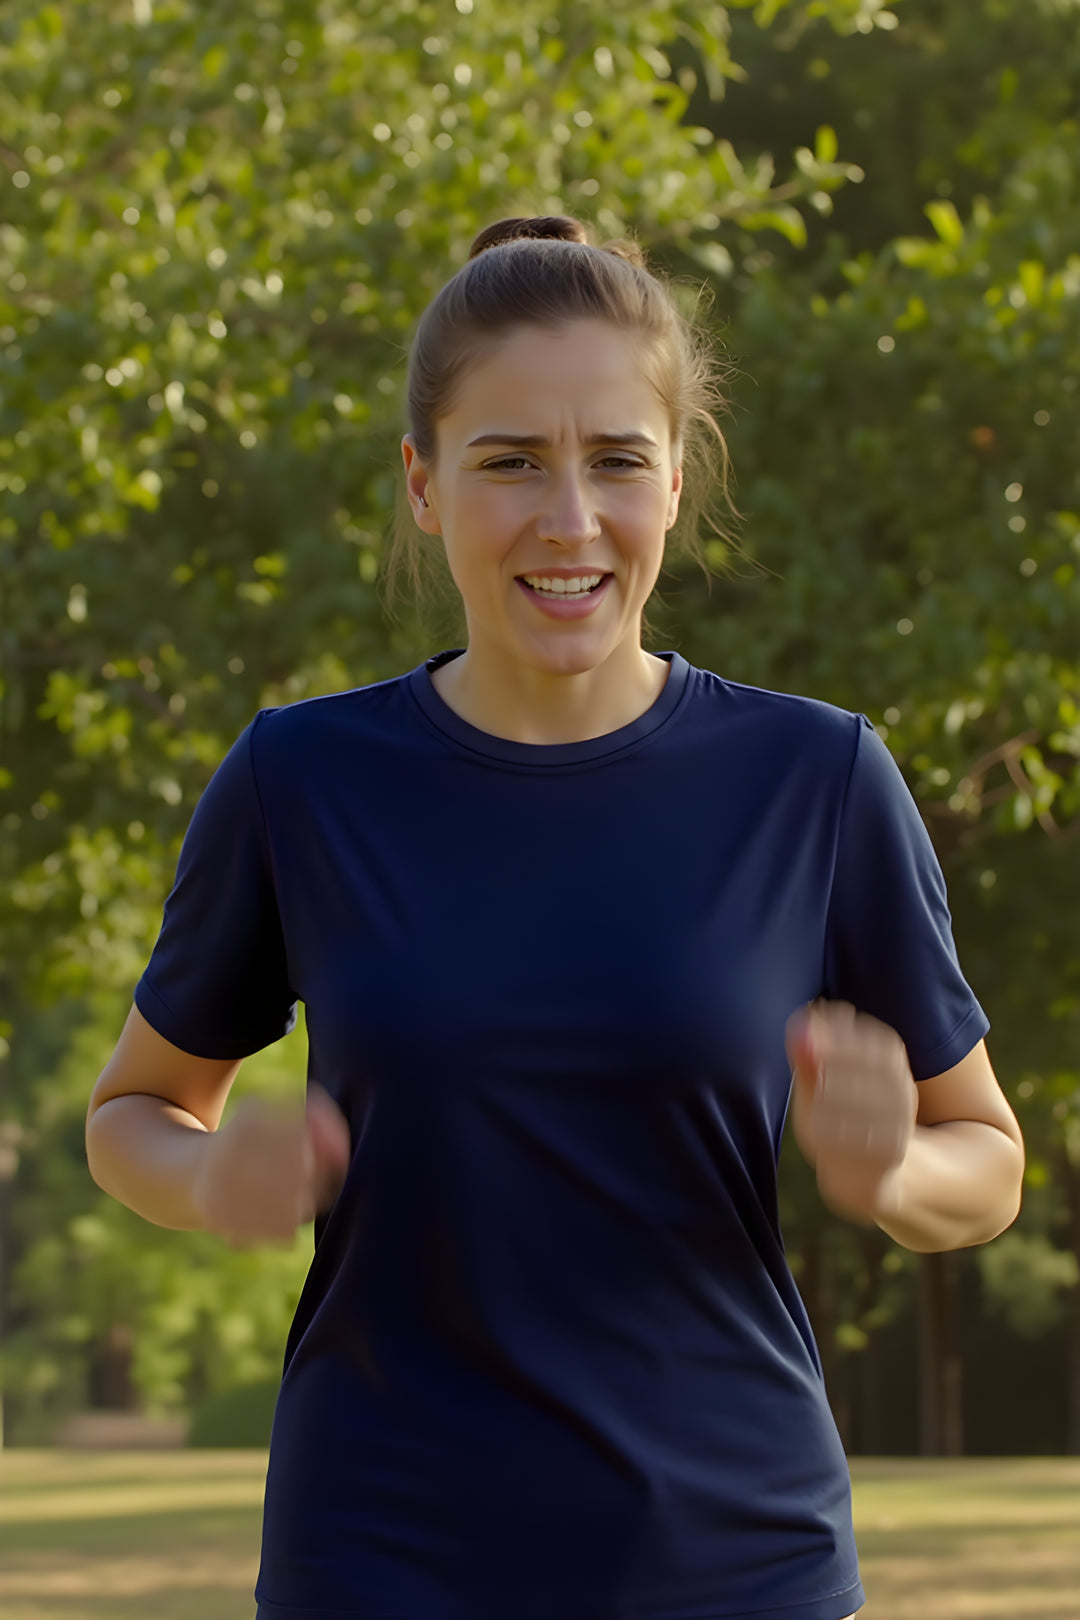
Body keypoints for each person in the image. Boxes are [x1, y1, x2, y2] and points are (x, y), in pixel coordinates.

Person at [85, 215, 1025, 1620]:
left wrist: (890, 1175)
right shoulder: (303, 779)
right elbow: (131, 1117)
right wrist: (211, 1180)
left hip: (732, 1563)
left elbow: (988, 1165)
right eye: (510, 460)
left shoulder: (816, 778)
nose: (568, 518)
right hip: (381, 1561)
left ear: (678, 480)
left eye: (616, 462)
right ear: (423, 484)